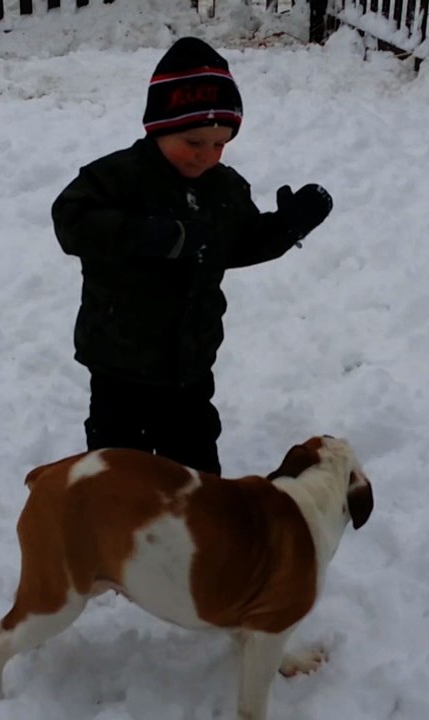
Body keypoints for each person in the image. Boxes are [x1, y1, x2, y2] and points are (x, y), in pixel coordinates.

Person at [50, 36, 333, 476]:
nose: (206, 156)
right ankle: (118, 534)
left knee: (197, 473)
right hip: (119, 362)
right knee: (120, 473)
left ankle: (196, 537)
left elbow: (234, 244)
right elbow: (71, 222)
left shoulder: (223, 186)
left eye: (220, 144)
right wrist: (162, 237)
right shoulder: (118, 177)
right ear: (158, 127)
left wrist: (285, 227)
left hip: (190, 365)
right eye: (194, 141)